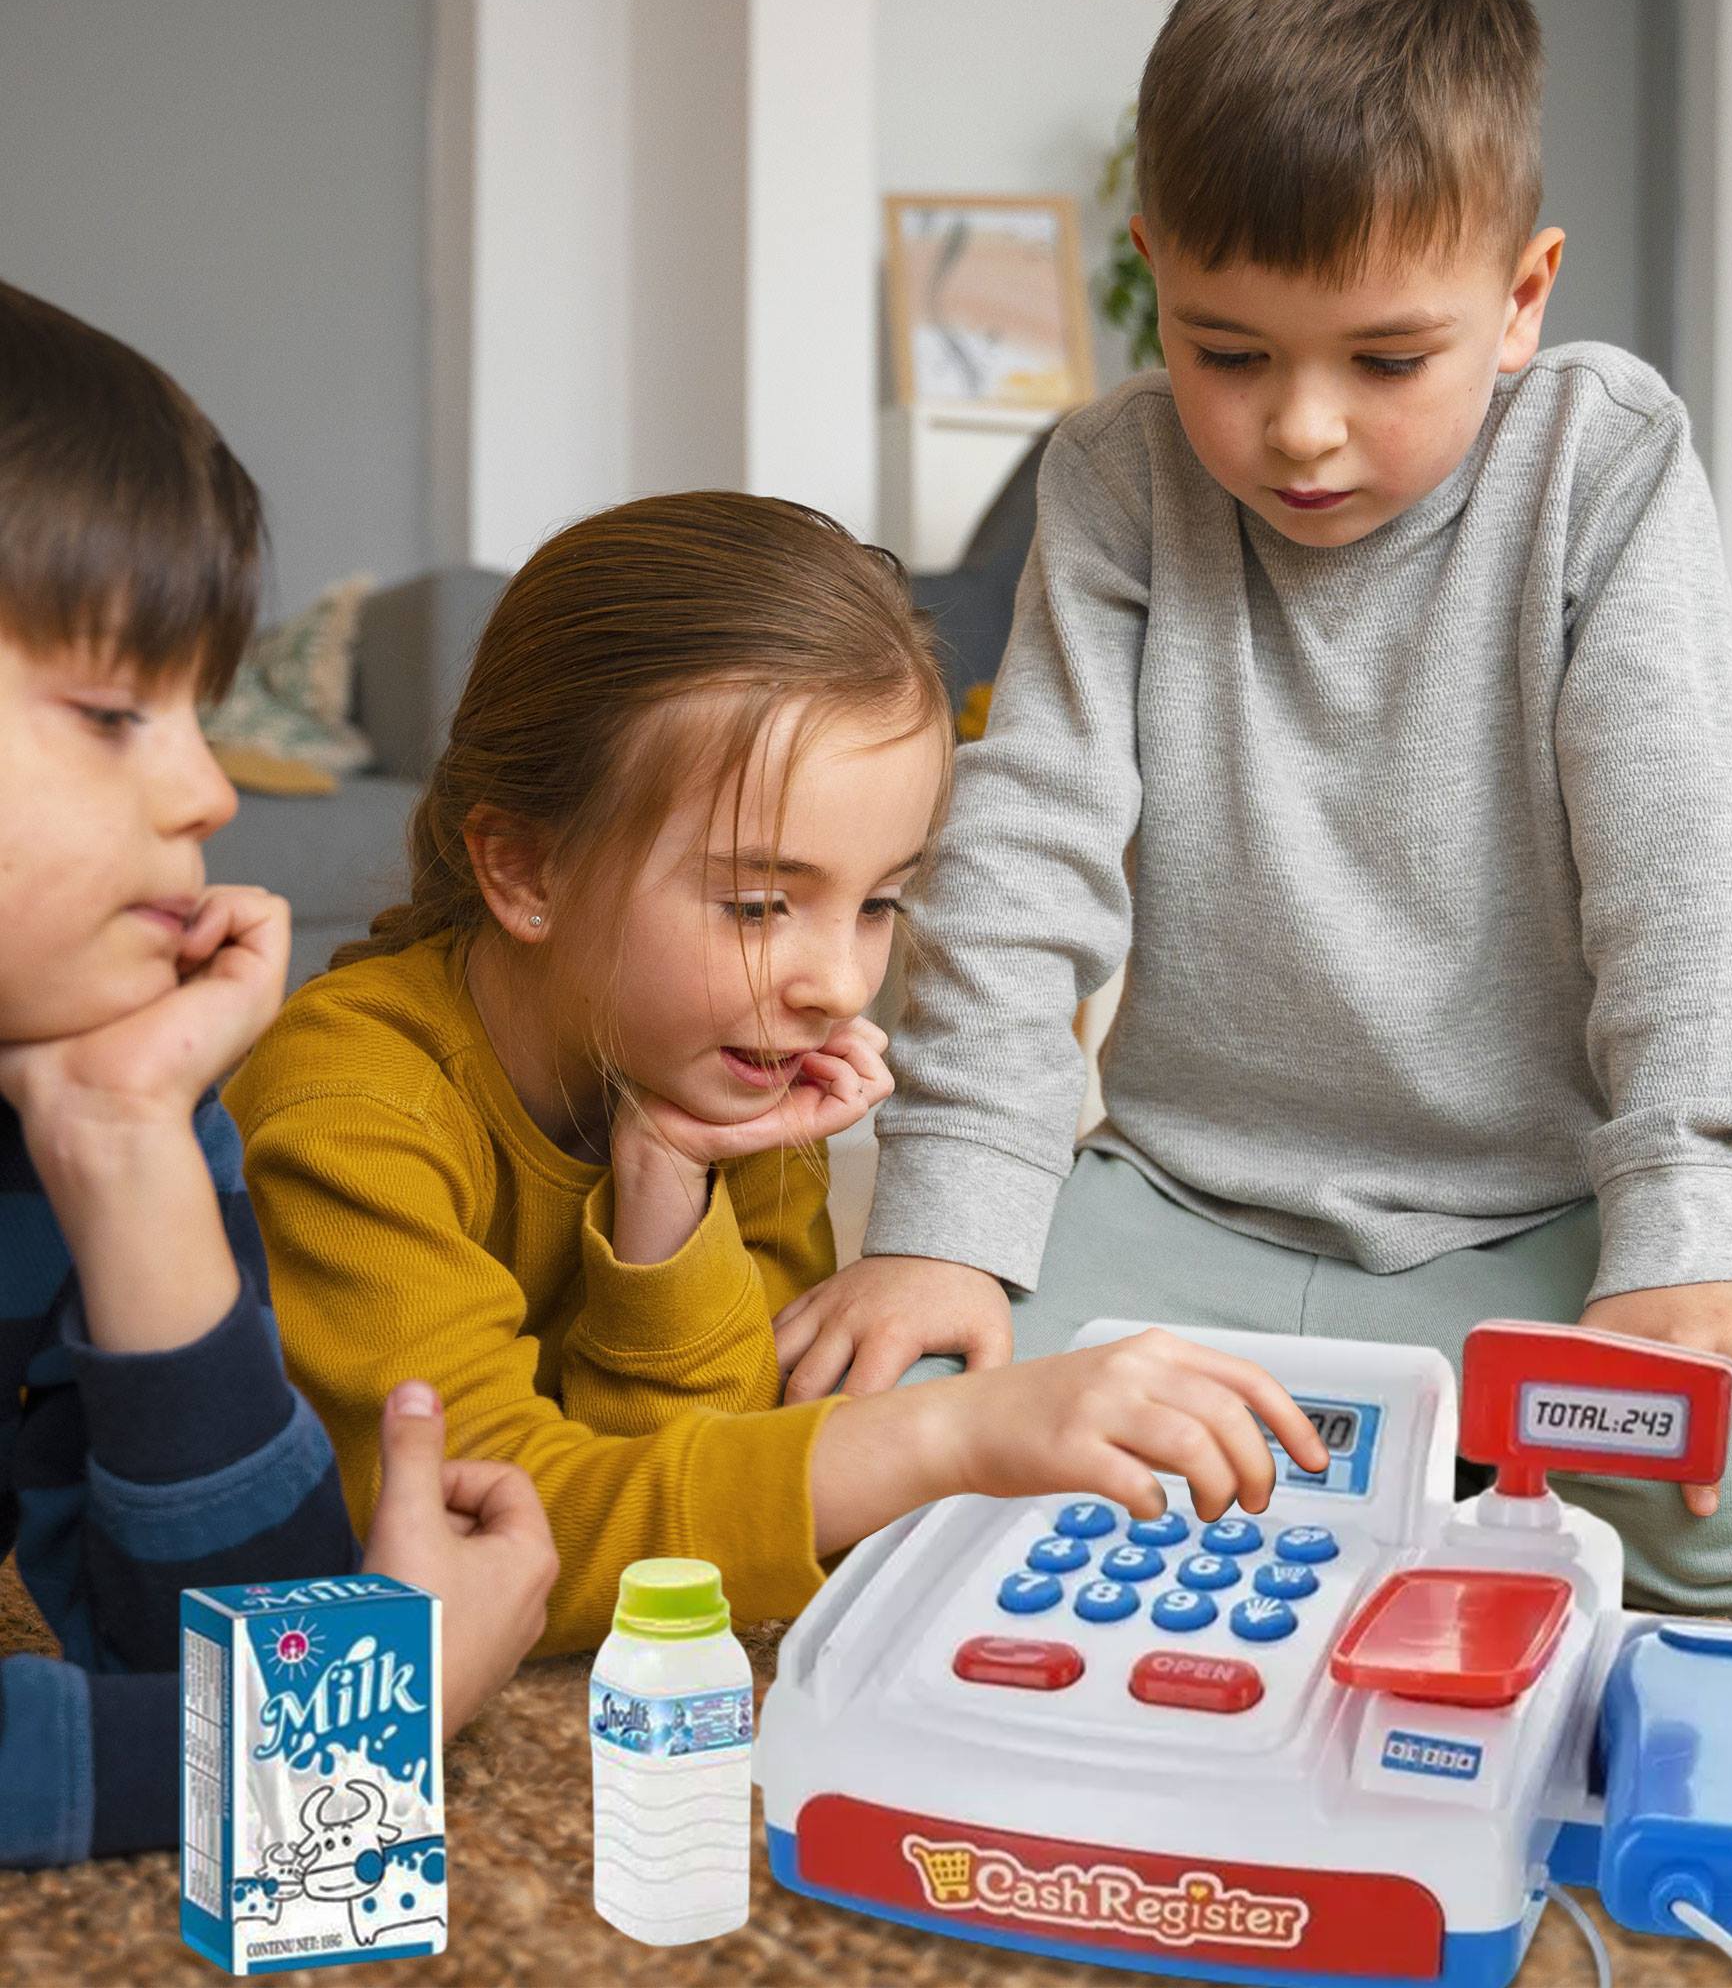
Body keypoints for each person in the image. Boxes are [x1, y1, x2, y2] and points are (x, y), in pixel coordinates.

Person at [776, 0, 1732, 1613]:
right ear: (1155, 280)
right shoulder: (1113, 479)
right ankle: (1405, 1458)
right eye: (1230, 354)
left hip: (1523, 1227)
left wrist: (1685, 1229)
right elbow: (1021, 859)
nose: (1301, 429)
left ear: (1519, 298)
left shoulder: (1604, 456)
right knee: (879, 1454)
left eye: (1387, 359)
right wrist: (942, 1214)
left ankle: (1383, 1445)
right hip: (1180, 1206)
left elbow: (1681, 872)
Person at [226, 492, 1332, 1656]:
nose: (838, 986)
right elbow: (482, 1553)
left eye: (878, 903)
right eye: (759, 904)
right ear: (524, 869)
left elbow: (703, 1511)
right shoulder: (348, 1109)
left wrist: (665, 1198)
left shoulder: (725, 1058)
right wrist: (948, 1434)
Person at [0, 282, 557, 1868]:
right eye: (113, 713)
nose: (201, 787)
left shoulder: (96, 1077)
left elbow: (190, 1640)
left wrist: (127, 1146)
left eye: (198, 711)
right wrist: (360, 1717)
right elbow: (255, 1709)